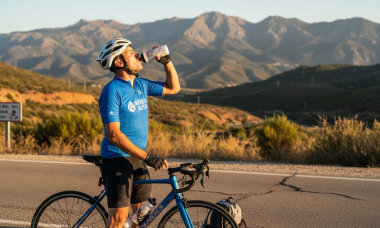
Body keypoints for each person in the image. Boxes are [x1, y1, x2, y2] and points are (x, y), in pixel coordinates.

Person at [96, 38, 180, 228]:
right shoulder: (112, 90)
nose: (136, 54)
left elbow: (173, 88)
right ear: (119, 62)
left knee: (141, 217)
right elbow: (114, 135)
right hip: (117, 159)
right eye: (130, 51)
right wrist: (148, 156)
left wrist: (167, 62)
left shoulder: (141, 85)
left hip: (137, 158)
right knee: (118, 220)